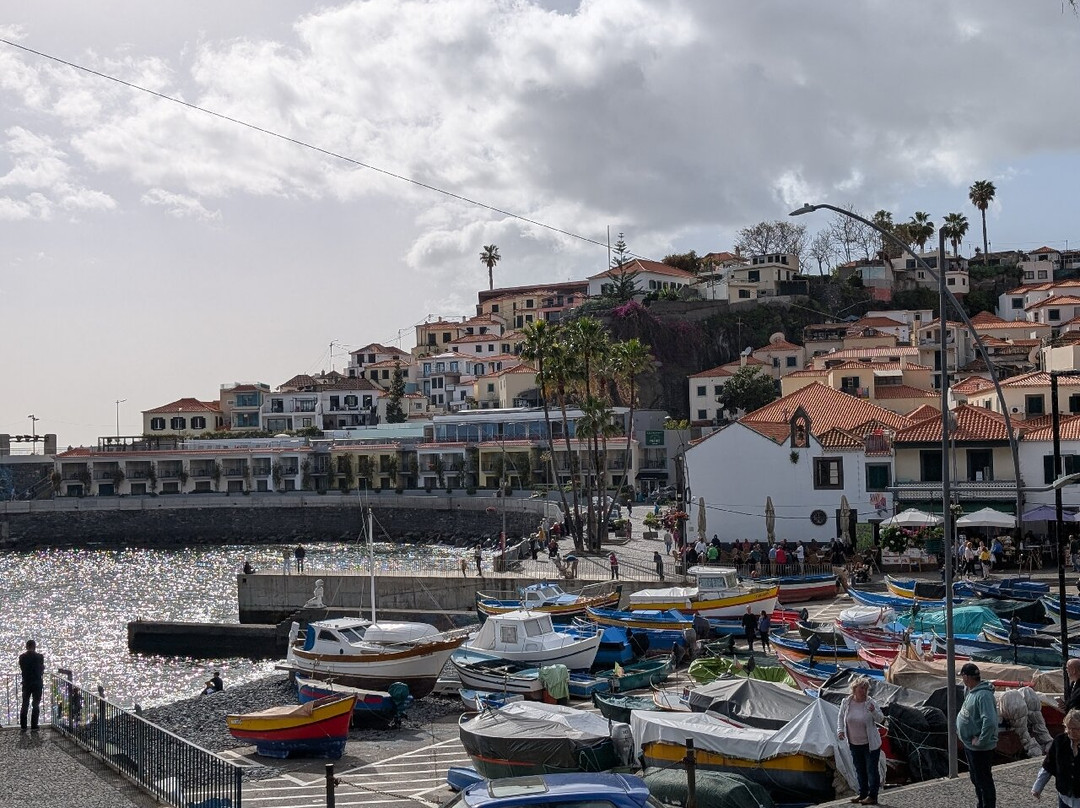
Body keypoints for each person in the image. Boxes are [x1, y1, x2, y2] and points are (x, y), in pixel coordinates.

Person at [957, 662, 998, 808]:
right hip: (970, 746)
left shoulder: (983, 695)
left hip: (980, 748)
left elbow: (991, 721)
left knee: (984, 780)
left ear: (967, 677)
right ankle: (981, 804)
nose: (962, 679)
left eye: (962, 676)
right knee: (976, 779)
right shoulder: (971, 691)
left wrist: (981, 740)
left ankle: (988, 805)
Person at [837, 675, 882, 806]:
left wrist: (874, 712)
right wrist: (840, 731)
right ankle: (863, 794)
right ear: (854, 689)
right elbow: (840, 718)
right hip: (853, 742)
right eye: (861, 688)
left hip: (870, 744)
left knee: (871, 770)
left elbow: (880, 719)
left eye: (865, 688)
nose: (864, 691)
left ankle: (873, 796)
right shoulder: (846, 702)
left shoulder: (871, 703)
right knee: (859, 769)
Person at [1032, 708, 1080, 803]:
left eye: (1075, 729)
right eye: (1068, 728)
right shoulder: (1060, 741)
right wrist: (1037, 787)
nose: (1071, 731)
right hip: (1065, 796)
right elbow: (1048, 766)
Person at [18, 639, 45, 732]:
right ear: (34, 646)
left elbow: (22, 669)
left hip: (26, 683)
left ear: (26, 646)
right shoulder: (40, 657)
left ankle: (23, 725)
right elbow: (41, 670)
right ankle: (34, 725)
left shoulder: (22, 657)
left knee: (25, 704)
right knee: (36, 704)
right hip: (37, 683)